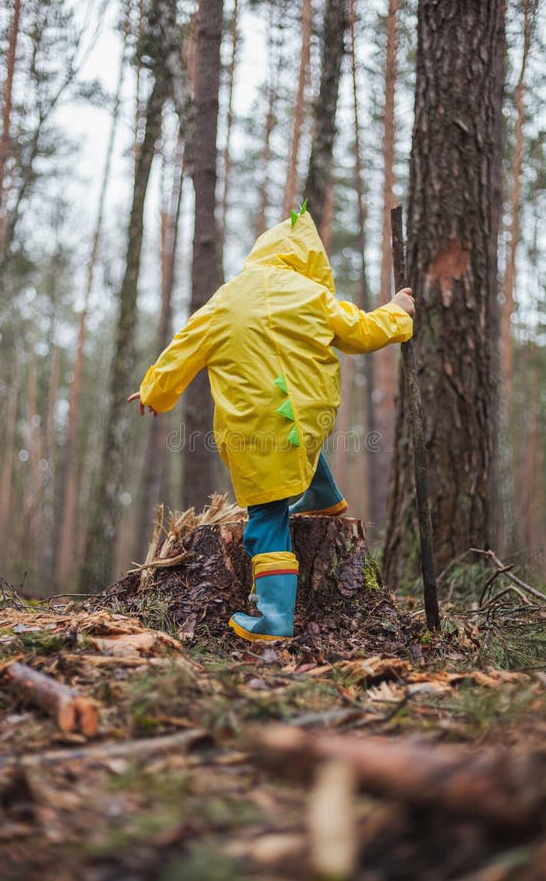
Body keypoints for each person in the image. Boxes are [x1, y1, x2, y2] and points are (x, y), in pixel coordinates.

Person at [128, 206, 414, 642]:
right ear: (308, 258)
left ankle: (274, 619)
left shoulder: (226, 298)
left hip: (254, 428)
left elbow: (182, 348)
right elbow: (361, 331)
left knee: (266, 517)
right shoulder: (312, 295)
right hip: (311, 413)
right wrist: (397, 311)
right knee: (297, 441)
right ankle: (323, 494)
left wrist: (155, 391)